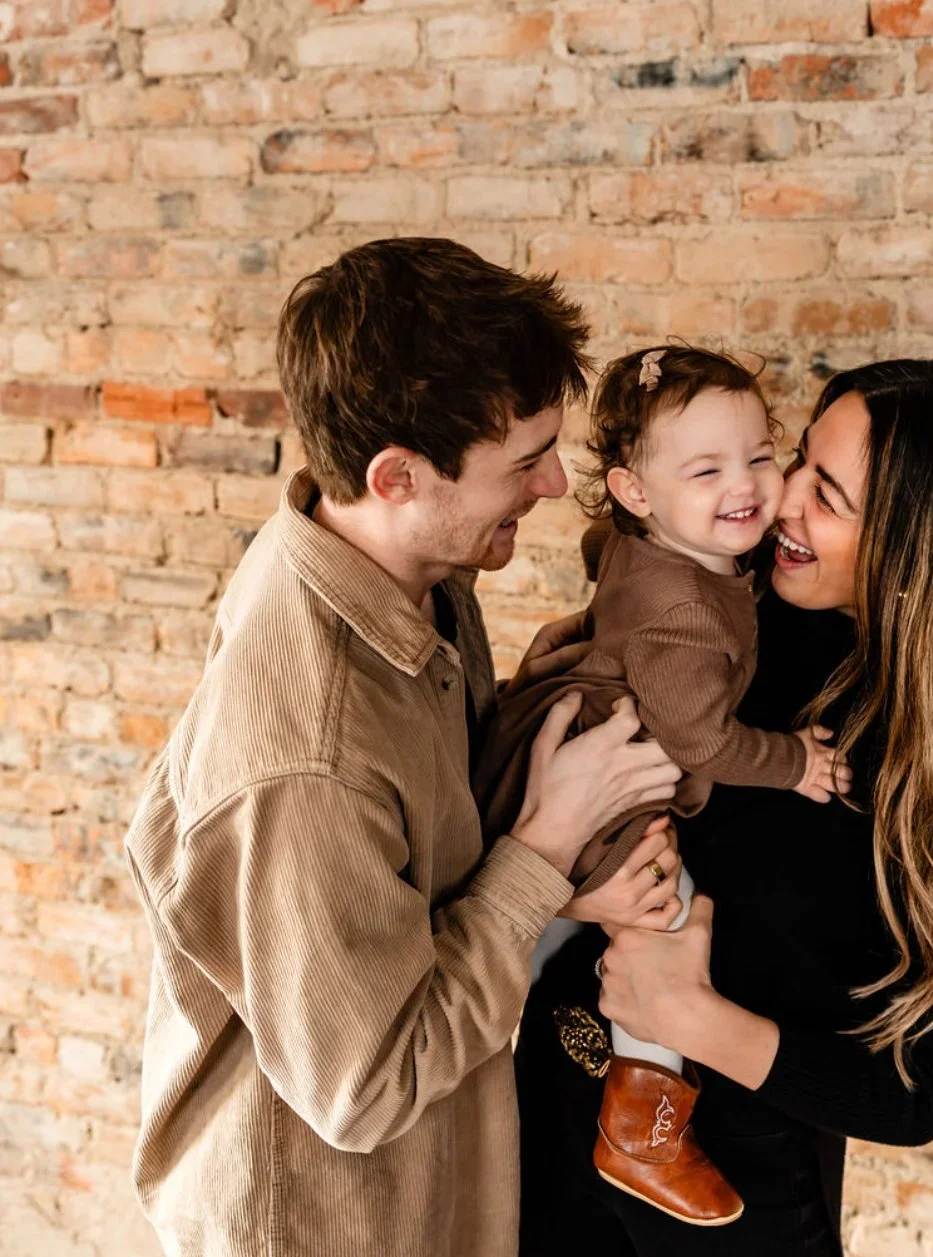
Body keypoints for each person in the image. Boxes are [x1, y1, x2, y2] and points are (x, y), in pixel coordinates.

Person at [122, 237, 681, 1257]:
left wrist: (540, 708)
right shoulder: (308, 755)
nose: (558, 483)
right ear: (397, 475)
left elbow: (421, 869)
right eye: (524, 461)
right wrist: (548, 846)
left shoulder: (420, 575)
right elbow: (369, 1086)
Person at [514, 359, 933, 1255]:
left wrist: (690, 1017)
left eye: (828, 495)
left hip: (727, 1185)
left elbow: (912, 1095)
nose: (778, 501)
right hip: (546, 1107)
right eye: (797, 463)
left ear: (918, 543)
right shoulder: (723, 608)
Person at [473, 345, 848, 1226]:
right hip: (615, 777)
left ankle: (483, 1026)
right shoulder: (684, 612)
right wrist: (796, 760)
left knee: (535, 939)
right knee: (659, 908)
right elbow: (702, 738)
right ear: (638, 493)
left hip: (580, 742)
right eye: (708, 469)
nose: (749, 485)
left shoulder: (652, 545)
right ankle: (643, 1122)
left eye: (762, 455)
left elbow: (604, 546)